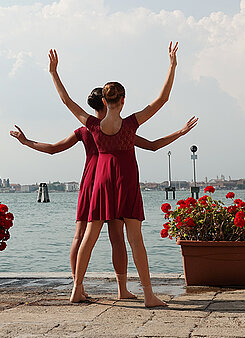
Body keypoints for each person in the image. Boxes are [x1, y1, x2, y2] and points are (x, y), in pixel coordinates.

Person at [10, 88, 197, 300]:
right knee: (119, 239)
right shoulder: (121, 128)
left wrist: (26, 142)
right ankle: (122, 289)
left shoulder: (86, 129)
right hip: (117, 182)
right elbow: (152, 145)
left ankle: (77, 287)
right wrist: (180, 132)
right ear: (110, 102)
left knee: (81, 237)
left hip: (94, 182)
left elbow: (53, 147)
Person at [49, 42, 191, 307]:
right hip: (125, 178)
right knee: (135, 239)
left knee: (89, 238)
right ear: (123, 100)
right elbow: (162, 100)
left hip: (102, 178)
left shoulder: (92, 125)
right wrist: (172, 66)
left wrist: (54, 73)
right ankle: (149, 295)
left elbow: (67, 101)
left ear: (104, 101)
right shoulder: (130, 124)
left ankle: (76, 289)